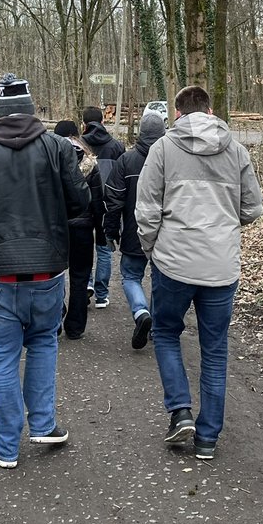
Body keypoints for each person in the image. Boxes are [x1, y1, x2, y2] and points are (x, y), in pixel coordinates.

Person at [0, 74, 89, 468]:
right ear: (31, 110)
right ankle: (43, 423)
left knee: (1, 357)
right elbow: (81, 202)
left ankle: (7, 446)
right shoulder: (58, 148)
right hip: (46, 271)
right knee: (43, 343)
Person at [135, 86, 263, 461]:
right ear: (211, 110)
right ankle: (208, 438)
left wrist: (152, 249)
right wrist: (223, 224)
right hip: (221, 268)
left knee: (166, 333)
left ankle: (180, 412)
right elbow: (252, 209)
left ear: (177, 113)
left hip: (173, 263)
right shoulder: (236, 150)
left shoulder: (162, 149)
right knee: (215, 350)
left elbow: (146, 211)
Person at [102, 114, 166, 350]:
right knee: (160, 279)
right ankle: (158, 326)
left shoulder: (126, 161)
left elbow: (113, 200)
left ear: (140, 133)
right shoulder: (171, 160)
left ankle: (140, 312)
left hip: (134, 231)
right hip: (166, 234)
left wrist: (109, 231)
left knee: (130, 276)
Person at [53, 121, 106, 340]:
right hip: (83, 229)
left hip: (56, 229)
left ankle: (54, 320)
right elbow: (98, 202)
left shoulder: (49, 161)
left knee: (54, 276)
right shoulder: (90, 163)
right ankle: (75, 326)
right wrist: (101, 234)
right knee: (80, 276)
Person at [81, 106, 125, 307]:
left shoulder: (78, 145)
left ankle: (87, 283)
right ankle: (101, 294)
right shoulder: (116, 146)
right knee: (105, 248)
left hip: (83, 202)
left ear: (84, 124)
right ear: (103, 122)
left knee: (84, 245)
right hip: (108, 203)